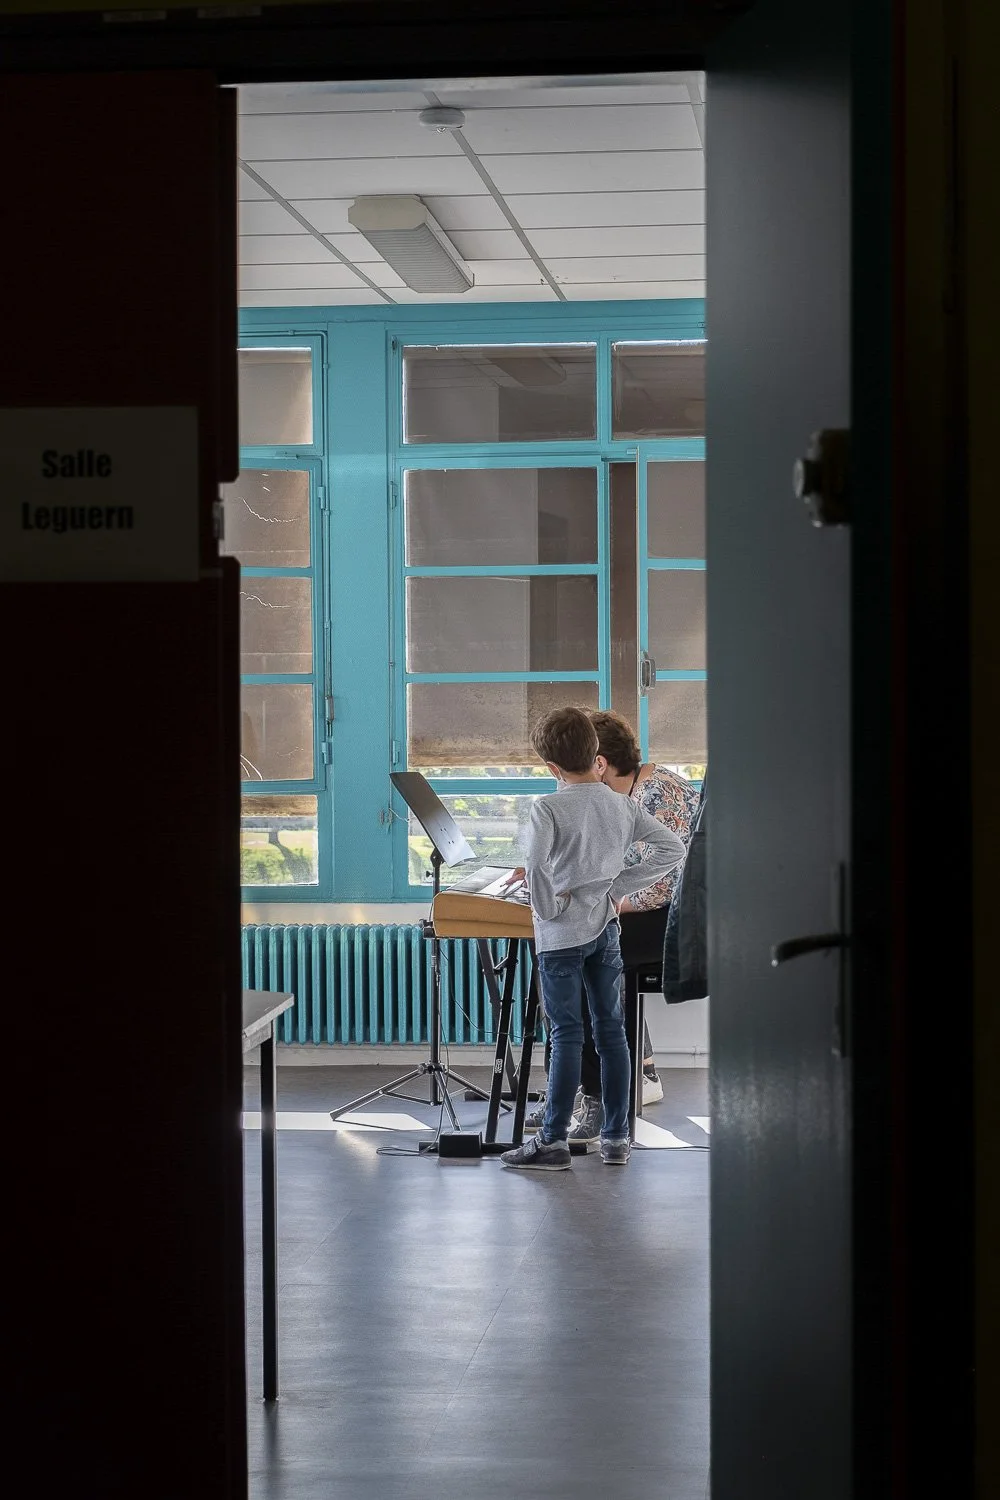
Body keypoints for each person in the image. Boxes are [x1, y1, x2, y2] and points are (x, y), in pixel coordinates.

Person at [500, 707, 685, 1171]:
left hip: (562, 937)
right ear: (595, 756)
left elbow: (538, 868)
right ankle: (617, 1139)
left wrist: (549, 908)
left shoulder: (547, 808)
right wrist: (615, 887)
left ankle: (552, 1141)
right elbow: (672, 848)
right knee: (611, 1034)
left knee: (566, 1035)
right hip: (606, 932)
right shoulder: (622, 804)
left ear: (552, 767)